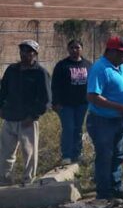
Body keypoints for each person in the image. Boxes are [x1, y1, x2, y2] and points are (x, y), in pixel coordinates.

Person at [85, 36, 123, 200]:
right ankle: (104, 193)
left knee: (118, 155)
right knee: (105, 156)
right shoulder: (100, 68)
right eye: (122, 52)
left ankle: (116, 188)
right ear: (111, 51)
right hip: (102, 121)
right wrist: (120, 107)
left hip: (117, 120)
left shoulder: (120, 68)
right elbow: (93, 96)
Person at [0, 40, 51, 185]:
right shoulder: (12, 70)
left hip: (27, 120)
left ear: (35, 54)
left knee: (29, 153)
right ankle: (4, 181)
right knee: (6, 153)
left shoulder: (40, 73)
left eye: (29, 51)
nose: (25, 54)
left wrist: (33, 116)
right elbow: (3, 90)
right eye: (23, 51)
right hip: (10, 117)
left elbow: (46, 99)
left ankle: (28, 181)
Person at [51, 39, 92, 165]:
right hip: (66, 104)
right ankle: (66, 155)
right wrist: (55, 102)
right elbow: (55, 85)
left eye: (77, 47)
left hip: (82, 103)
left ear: (82, 48)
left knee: (78, 128)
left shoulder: (88, 65)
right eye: (72, 48)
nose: (75, 50)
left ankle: (77, 154)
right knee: (68, 128)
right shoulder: (62, 65)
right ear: (68, 49)